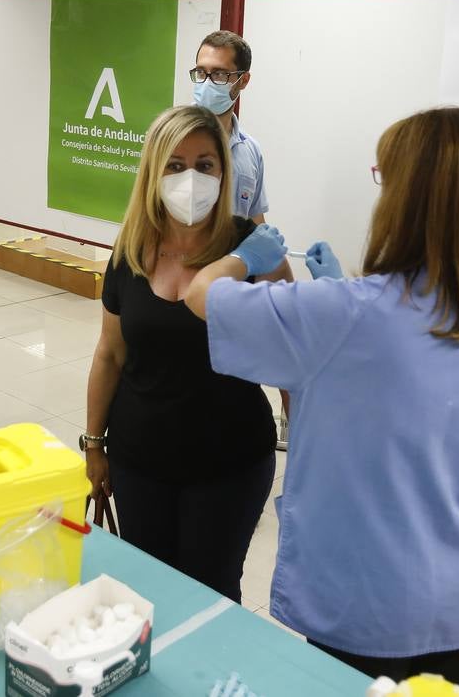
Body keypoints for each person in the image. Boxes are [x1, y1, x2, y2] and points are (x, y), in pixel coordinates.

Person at [186, 107, 459, 692]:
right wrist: (337, 292)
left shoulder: (344, 317)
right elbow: (408, 380)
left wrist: (245, 256)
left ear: (408, 199)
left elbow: (203, 296)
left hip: (368, 604)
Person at [82, 104, 289, 603]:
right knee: (145, 589)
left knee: (212, 593)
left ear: (224, 171)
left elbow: (291, 359)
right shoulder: (130, 248)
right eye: (174, 165)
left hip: (230, 464)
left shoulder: (251, 249)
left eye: (205, 165)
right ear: (153, 171)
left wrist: (306, 440)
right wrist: (94, 444)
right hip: (139, 459)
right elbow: (110, 354)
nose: (190, 178)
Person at [190, 30, 294, 450]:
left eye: (218, 74)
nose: (205, 81)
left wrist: (268, 261)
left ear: (241, 82)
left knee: (230, 393)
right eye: (200, 71)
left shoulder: (250, 151)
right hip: (182, 287)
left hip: (232, 291)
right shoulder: (170, 140)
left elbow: (255, 222)